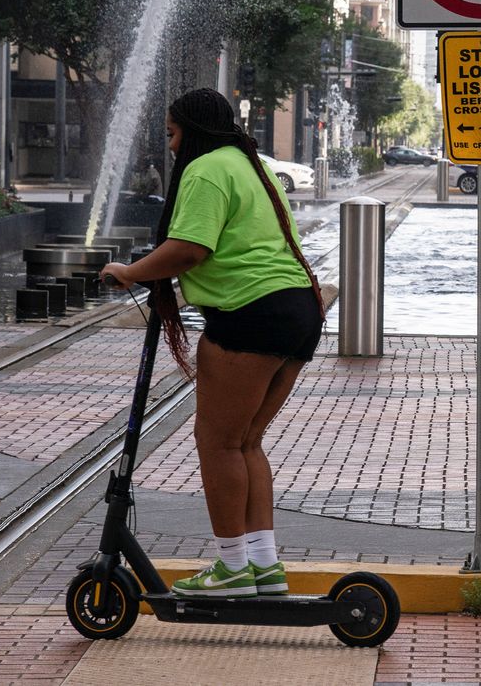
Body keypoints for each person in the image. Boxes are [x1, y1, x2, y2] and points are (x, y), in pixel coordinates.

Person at [101, 88, 324, 599]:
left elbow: (188, 250)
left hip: (251, 314)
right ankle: (263, 566)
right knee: (245, 443)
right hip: (297, 309)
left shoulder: (206, 170)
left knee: (218, 443)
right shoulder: (254, 165)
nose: (172, 146)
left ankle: (229, 570)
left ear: (193, 131)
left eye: (173, 134)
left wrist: (129, 272)